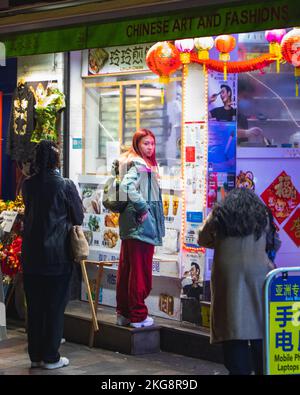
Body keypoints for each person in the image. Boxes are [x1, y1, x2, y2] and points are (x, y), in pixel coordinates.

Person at [197, 188, 280, 375]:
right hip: (259, 274)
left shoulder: (219, 214)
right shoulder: (262, 214)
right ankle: (263, 369)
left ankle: (239, 370)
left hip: (228, 276)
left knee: (232, 324)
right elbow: (274, 242)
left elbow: (203, 238)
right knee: (261, 324)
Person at [21, 140, 84, 370]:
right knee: (55, 307)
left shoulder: (27, 185)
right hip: (57, 256)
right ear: (57, 160)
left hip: (30, 256)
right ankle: (51, 356)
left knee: (35, 307)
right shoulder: (65, 185)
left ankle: (35, 354)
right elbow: (78, 216)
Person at [115, 129, 165, 328]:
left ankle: (124, 313)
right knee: (140, 270)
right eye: (145, 143)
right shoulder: (140, 165)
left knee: (128, 268)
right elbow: (127, 187)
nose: (150, 147)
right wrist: (143, 208)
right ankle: (137, 315)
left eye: (152, 143)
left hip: (131, 223)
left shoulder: (130, 161)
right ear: (137, 144)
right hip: (140, 224)